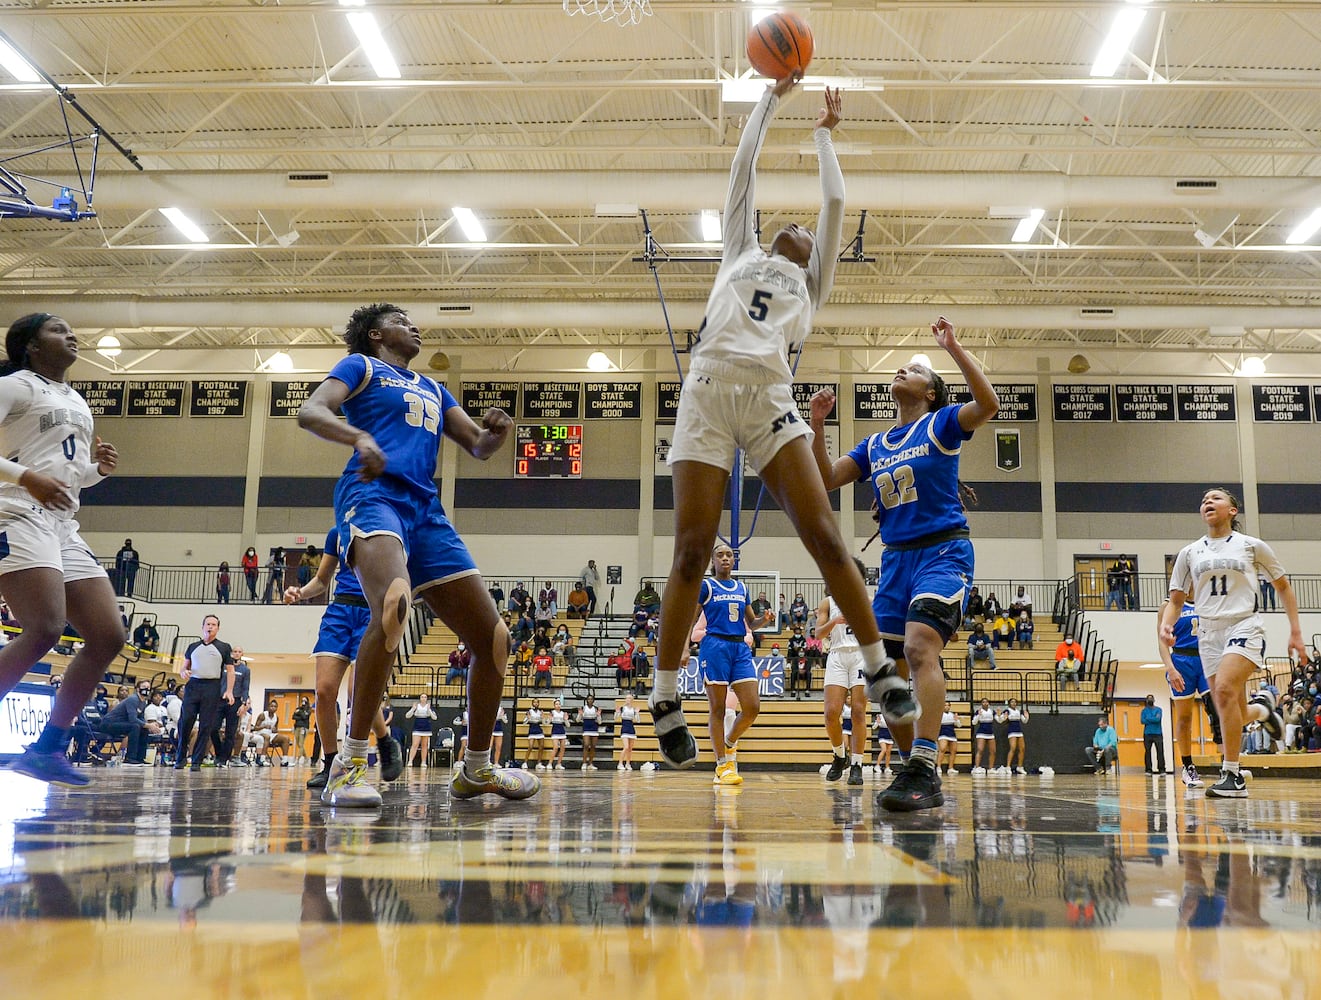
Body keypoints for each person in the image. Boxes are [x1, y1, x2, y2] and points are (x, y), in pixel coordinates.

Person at [298, 302, 538, 806]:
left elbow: (476, 445)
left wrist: (499, 431)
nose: (415, 326)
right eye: (403, 320)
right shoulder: (362, 366)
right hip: (373, 497)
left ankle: (476, 769)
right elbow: (312, 411)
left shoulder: (433, 386)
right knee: (393, 605)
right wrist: (358, 435)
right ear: (377, 333)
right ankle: (350, 763)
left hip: (426, 510)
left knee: (493, 637)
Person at [811, 316, 999, 812]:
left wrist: (953, 347)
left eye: (913, 369)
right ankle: (911, 766)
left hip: (942, 550)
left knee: (919, 648)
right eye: (900, 367)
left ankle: (923, 761)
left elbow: (989, 405)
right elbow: (827, 478)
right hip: (896, 561)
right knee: (885, 678)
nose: (901, 371)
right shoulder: (875, 444)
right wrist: (817, 425)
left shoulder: (942, 423)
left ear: (932, 392)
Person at [0, 313, 128, 787]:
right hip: (13, 509)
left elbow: (62, 474)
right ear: (31, 345)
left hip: (60, 522)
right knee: (44, 628)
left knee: (108, 634)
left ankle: (47, 748)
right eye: (57, 329)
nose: (71, 335)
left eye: (72, 329)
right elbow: (31, 472)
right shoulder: (15, 386)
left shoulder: (75, 397)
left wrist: (97, 471)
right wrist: (25, 478)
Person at [1160, 487, 1305, 798]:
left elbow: (1283, 586)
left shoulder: (1251, 546)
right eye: (1203, 500)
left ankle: (1233, 775)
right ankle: (1263, 712)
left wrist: (1295, 630)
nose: (1208, 502)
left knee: (1223, 689)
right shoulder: (1190, 553)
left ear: (1233, 510)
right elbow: (1175, 600)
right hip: (1208, 633)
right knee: (1230, 706)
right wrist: (1166, 626)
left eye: (1216, 498)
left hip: (1244, 624)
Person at [283, 524, 403, 791]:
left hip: (373, 611)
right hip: (340, 610)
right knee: (324, 691)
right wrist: (300, 592)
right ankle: (329, 763)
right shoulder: (337, 533)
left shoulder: (391, 530)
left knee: (356, 690)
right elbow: (323, 580)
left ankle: (385, 740)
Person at [682, 542, 773, 786]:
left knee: (753, 707)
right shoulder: (707, 585)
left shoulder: (742, 587)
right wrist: (684, 648)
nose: (725, 558)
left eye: (729, 555)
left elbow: (751, 624)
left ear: (734, 561)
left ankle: (730, 742)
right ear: (713, 561)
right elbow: (691, 619)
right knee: (718, 708)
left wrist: (764, 620)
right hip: (714, 647)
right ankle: (722, 764)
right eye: (720, 555)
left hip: (740, 648)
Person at [817, 559, 871, 786]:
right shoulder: (828, 602)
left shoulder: (867, 600)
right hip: (837, 655)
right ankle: (840, 756)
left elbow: (875, 630)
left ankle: (857, 764)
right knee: (831, 713)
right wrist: (835, 621)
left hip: (860, 655)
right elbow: (818, 634)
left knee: (858, 711)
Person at [175, 614, 236, 772]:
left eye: (214, 624)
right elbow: (184, 667)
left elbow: (230, 671)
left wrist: (229, 691)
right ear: (203, 627)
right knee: (186, 721)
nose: (210, 627)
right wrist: (184, 673)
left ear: (218, 628)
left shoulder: (224, 647)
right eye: (208, 624)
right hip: (193, 686)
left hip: (212, 686)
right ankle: (180, 757)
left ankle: (197, 761)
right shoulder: (193, 646)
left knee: (206, 725)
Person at [98, 684, 148, 765]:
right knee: (135, 726)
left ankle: (140, 758)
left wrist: (149, 725)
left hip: (121, 724)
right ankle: (130, 758)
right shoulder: (133, 699)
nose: (146, 689)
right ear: (138, 689)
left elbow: (141, 718)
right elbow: (133, 719)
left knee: (144, 729)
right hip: (108, 724)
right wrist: (147, 725)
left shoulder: (143, 702)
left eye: (148, 687)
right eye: (144, 687)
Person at [405, 693, 437, 768]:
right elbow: (407, 716)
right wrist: (413, 708)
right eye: (422, 697)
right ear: (420, 698)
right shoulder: (417, 706)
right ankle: (410, 761)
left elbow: (434, 718)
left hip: (426, 728)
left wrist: (429, 709)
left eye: (425, 697)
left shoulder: (429, 706)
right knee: (415, 745)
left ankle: (423, 762)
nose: (423, 698)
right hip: (417, 728)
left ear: (427, 699)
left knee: (424, 746)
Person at [999, 698, 1028, 775]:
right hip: (1012, 731)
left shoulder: (1018, 711)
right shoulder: (1007, 711)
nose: (1014, 703)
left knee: (1022, 749)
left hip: (1019, 731)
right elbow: (1001, 720)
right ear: (1009, 703)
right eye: (1012, 702)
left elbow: (1024, 721)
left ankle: (1020, 767)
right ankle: (1008, 767)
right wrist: (1003, 717)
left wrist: (1027, 716)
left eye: (1015, 702)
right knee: (1013, 748)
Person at [1140, 694, 1166, 774]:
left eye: (1151, 698)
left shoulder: (1159, 709)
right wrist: (1153, 719)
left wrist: (1148, 719)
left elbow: (1157, 719)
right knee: (1147, 752)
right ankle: (1148, 769)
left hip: (1158, 733)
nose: (1150, 700)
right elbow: (1142, 721)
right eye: (1148, 699)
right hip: (1147, 733)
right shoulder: (1144, 711)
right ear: (1147, 701)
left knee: (1160, 751)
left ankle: (1161, 769)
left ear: (1154, 700)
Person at [971, 699, 995, 773]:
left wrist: (1002, 716)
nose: (985, 703)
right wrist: (978, 715)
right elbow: (974, 722)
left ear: (989, 703)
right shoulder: (978, 711)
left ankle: (991, 768)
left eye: (987, 702)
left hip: (990, 733)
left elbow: (999, 720)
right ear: (981, 704)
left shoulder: (992, 711)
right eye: (983, 702)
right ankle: (977, 767)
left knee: (993, 751)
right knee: (980, 750)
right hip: (981, 733)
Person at [578, 695, 601, 770]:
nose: (590, 700)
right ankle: (584, 763)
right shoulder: (583, 708)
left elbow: (599, 722)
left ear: (593, 700)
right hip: (586, 728)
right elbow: (578, 720)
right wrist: (580, 714)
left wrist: (598, 716)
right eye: (588, 699)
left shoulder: (596, 709)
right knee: (586, 745)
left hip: (594, 728)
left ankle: (590, 763)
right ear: (586, 700)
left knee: (593, 746)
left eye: (591, 699)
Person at [617, 693, 639, 771]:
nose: (628, 700)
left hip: (631, 728)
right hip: (624, 728)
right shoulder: (622, 708)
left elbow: (638, 720)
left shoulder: (633, 709)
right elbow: (616, 717)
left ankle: (628, 763)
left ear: (632, 700)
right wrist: (617, 712)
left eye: (630, 698)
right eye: (627, 698)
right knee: (626, 747)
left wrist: (636, 713)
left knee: (630, 748)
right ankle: (620, 763)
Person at [936, 701, 959, 776]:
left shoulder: (952, 714)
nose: (946, 707)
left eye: (948, 705)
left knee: (953, 751)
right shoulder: (939, 715)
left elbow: (958, 725)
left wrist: (956, 720)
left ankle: (951, 768)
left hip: (952, 734)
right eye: (945, 705)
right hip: (943, 734)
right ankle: (938, 767)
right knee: (942, 749)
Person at [524, 701, 547, 770]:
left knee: (541, 746)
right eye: (534, 702)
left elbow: (544, 723)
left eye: (537, 702)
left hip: (539, 730)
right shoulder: (529, 711)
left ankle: (539, 763)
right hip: (532, 730)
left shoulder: (540, 712)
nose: (536, 704)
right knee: (530, 746)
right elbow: (524, 723)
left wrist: (543, 717)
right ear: (532, 703)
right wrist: (528, 718)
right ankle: (525, 762)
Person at [547, 699, 568, 770]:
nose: (558, 705)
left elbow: (568, 725)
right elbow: (547, 723)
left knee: (562, 748)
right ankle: (550, 763)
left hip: (562, 731)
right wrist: (549, 719)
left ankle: (559, 764)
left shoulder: (563, 713)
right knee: (555, 748)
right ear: (554, 705)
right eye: (556, 704)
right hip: (555, 731)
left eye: (559, 704)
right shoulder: (552, 712)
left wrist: (566, 719)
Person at [292, 697, 312, 765]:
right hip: (296, 727)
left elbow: (305, 717)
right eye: (302, 700)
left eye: (305, 701)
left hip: (304, 728)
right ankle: (306, 757)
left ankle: (298, 759)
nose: (303, 702)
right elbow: (293, 717)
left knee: (301, 744)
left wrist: (299, 713)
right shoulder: (298, 708)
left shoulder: (309, 709)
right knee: (298, 743)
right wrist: (301, 714)